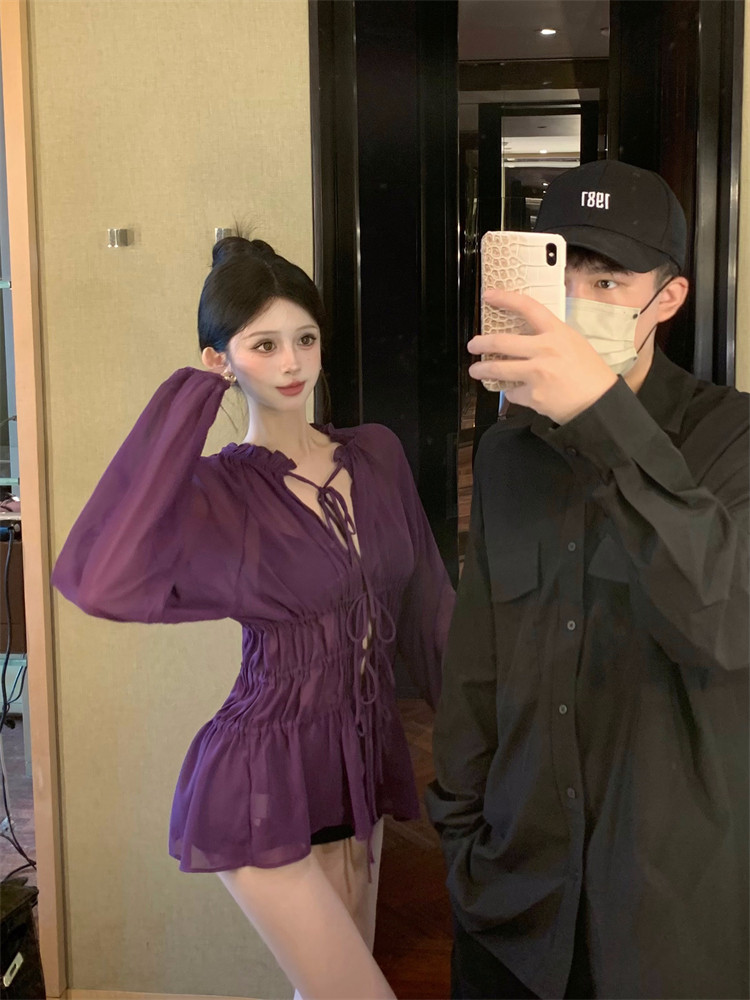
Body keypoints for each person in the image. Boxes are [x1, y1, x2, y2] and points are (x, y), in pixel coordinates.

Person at [52, 236, 454, 1000]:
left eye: (305, 338)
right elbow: (101, 579)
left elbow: (431, 609)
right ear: (221, 360)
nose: (293, 362)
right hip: (261, 776)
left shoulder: (376, 456)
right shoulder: (219, 493)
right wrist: (191, 398)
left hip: (359, 766)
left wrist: (485, 741)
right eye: (263, 345)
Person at [427, 160, 749, 1000]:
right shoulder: (508, 452)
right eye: (561, 274)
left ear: (667, 299)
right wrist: (460, 839)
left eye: (607, 281)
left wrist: (602, 416)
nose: (575, 302)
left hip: (670, 918)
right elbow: (477, 666)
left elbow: (724, 621)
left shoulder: (734, 440)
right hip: (511, 899)